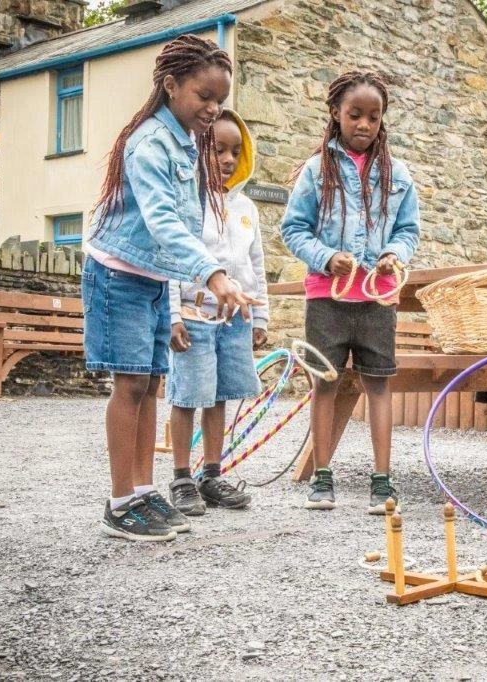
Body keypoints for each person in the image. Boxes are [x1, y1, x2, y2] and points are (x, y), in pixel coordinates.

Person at [82, 35, 257, 542]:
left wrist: (200, 285)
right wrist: (213, 275)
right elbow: (163, 221)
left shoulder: (186, 140)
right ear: (170, 84)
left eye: (220, 100)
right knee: (130, 384)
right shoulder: (151, 143)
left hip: (154, 277)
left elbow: (187, 226)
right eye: (204, 96)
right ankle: (119, 503)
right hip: (118, 274)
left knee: (152, 382)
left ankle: (141, 490)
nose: (213, 108)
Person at [280, 70, 420, 514]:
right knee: (326, 384)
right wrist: (325, 257)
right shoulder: (315, 169)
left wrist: (394, 254)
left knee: (378, 386)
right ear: (336, 114)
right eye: (355, 114)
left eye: (373, 117)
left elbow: (408, 229)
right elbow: (293, 228)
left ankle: (382, 481)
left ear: (382, 121)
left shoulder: (398, 174)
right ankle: (322, 478)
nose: (364, 124)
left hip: (377, 299)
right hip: (329, 298)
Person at [167, 109, 269, 515]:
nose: (227, 159)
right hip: (194, 316)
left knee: (220, 396)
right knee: (188, 395)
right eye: (218, 149)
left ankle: (211, 474)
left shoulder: (246, 208)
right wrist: (172, 315)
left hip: (234, 320)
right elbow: (172, 259)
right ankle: (181, 478)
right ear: (198, 150)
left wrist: (260, 318)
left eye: (235, 151)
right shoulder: (187, 203)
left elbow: (256, 263)